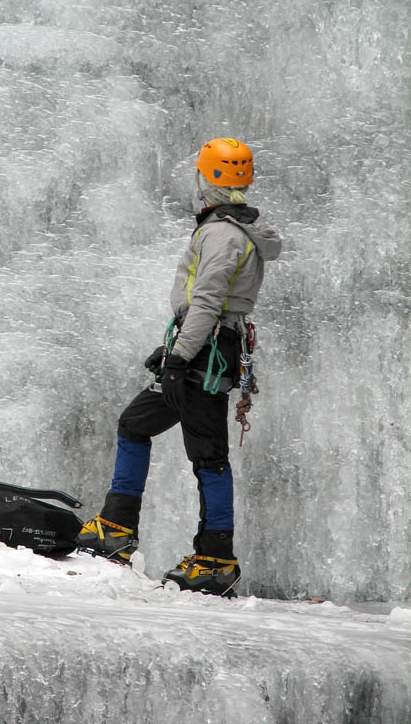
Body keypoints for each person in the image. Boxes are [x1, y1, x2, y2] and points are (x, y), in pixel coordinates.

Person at [77, 138, 282, 596]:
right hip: (204, 350)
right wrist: (169, 350)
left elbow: (207, 303)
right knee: (135, 423)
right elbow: (206, 307)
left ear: (207, 179)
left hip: (203, 357)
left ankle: (214, 559)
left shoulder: (222, 234)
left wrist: (178, 359)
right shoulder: (234, 229)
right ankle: (117, 527)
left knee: (208, 456)